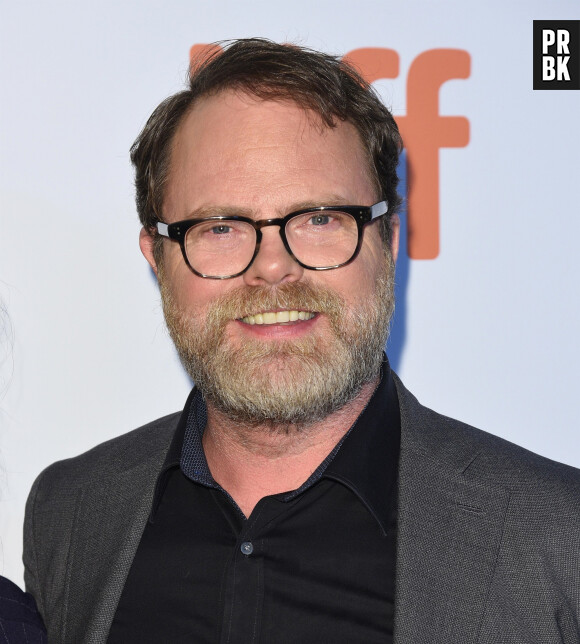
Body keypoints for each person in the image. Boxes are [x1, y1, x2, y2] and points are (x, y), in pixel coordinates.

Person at [23, 38, 580, 644]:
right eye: (221, 227)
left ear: (390, 244)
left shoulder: (552, 532)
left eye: (319, 220)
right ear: (157, 259)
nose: (272, 268)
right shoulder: (72, 514)